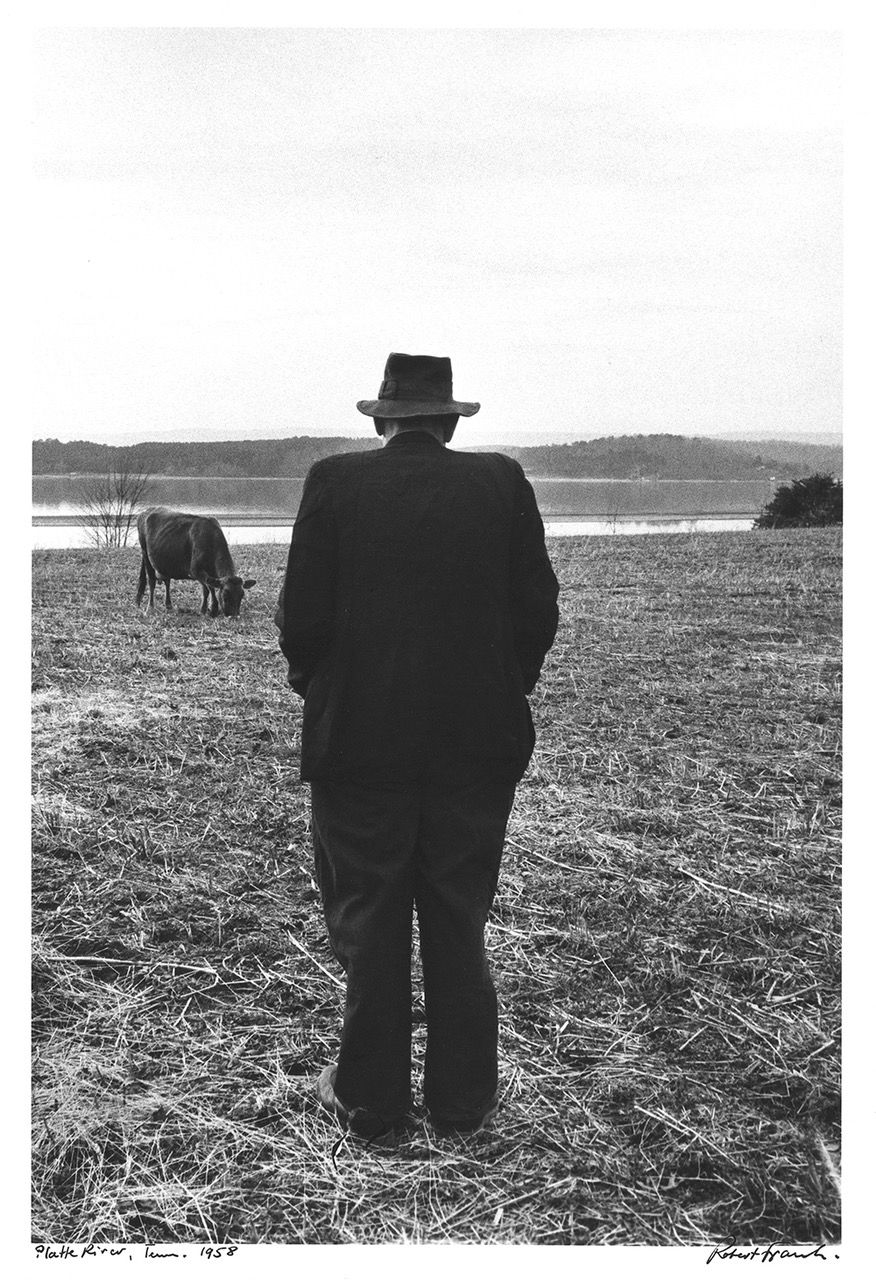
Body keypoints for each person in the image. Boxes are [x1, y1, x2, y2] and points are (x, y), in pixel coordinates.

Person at [275, 352, 559, 1145]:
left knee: (369, 917)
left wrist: (323, 690)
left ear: (382, 421)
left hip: (359, 743)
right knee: (457, 916)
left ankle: (371, 1103)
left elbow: (302, 619)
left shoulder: (333, 481)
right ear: (450, 422)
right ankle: (462, 1102)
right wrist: (503, 685)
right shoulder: (503, 482)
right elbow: (537, 609)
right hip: (476, 743)